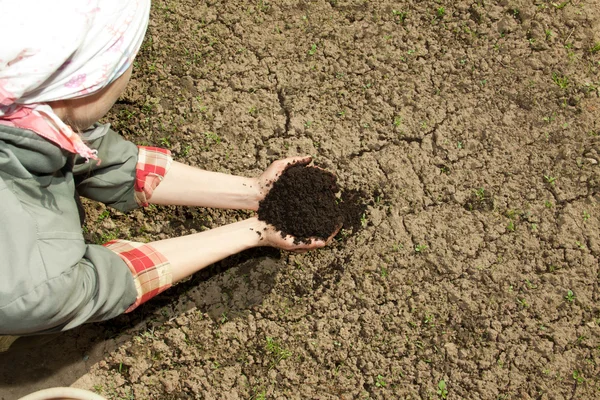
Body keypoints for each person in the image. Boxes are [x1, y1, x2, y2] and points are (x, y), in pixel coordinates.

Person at [0, 0, 334, 349]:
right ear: (83, 83)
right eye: (123, 62)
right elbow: (92, 286)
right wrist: (255, 231)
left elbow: (95, 157)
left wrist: (257, 194)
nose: (128, 73)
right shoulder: (27, 283)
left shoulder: (27, 112)